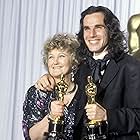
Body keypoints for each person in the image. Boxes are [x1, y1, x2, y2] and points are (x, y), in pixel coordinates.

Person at [35, 6, 140, 140]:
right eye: (87, 29)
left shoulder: (131, 66)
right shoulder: (81, 66)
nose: (92, 34)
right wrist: (48, 78)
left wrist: (107, 115)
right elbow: (67, 87)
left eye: (98, 27)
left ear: (110, 30)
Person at [22, 33, 87, 140]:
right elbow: (32, 137)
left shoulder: (84, 93)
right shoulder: (37, 93)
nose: (55, 62)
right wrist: (51, 116)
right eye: (51, 57)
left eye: (61, 56)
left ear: (74, 61)